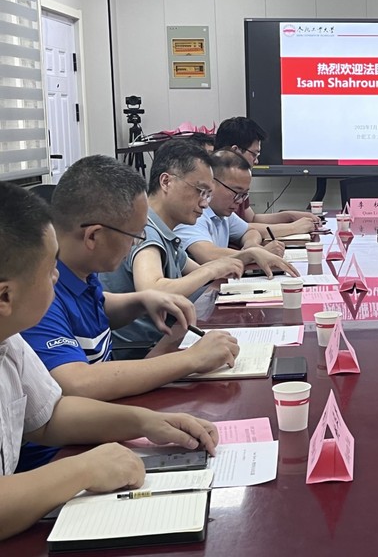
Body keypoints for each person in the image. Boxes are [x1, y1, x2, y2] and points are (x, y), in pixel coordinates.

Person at [0, 182, 219, 541]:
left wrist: (146, 422)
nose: (57, 275)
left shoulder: (9, 341)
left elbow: (49, 416)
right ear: (6, 297)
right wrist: (83, 470)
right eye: (48, 269)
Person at [21, 155, 240, 403]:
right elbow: (77, 383)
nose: (136, 243)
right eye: (134, 235)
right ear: (93, 237)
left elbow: (97, 305)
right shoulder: (40, 294)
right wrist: (191, 359)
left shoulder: (81, 272)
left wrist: (141, 301)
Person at [100, 139, 291, 346]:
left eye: (208, 194)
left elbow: (199, 272)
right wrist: (212, 269)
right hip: (143, 352)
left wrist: (246, 255)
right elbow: (153, 289)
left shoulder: (165, 231)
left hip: (163, 341)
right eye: (200, 191)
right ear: (166, 182)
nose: (204, 203)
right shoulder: (146, 230)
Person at [174, 149, 300, 276]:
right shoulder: (193, 214)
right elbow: (208, 255)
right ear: (212, 183)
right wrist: (254, 254)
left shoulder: (222, 213)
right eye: (236, 192)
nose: (240, 201)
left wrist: (252, 245)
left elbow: (250, 231)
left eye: (244, 194)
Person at [214, 116, 319, 238]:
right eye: (254, 154)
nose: (256, 161)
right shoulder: (220, 185)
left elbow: (251, 219)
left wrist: (289, 216)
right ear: (236, 151)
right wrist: (293, 228)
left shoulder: (239, 181)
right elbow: (244, 227)